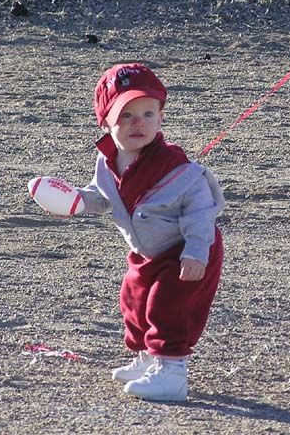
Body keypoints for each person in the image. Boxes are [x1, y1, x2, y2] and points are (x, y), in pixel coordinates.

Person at [76, 63, 225, 402]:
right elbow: (104, 198)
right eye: (126, 115)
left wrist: (196, 251)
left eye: (147, 112)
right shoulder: (108, 163)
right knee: (133, 300)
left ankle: (172, 371)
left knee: (167, 306)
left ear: (161, 118)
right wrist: (75, 201)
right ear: (105, 122)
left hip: (186, 247)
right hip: (148, 252)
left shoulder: (175, 166)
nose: (137, 122)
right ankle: (146, 359)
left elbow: (202, 210)